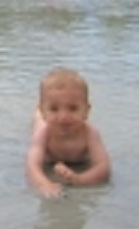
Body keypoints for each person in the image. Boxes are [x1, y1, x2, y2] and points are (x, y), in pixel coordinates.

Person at [26, 67, 111, 198]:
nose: (64, 117)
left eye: (73, 108)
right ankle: (38, 115)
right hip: (43, 124)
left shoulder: (90, 134)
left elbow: (103, 167)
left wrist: (80, 179)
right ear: (43, 111)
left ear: (86, 111)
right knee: (39, 123)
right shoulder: (43, 135)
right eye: (54, 109)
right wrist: (44, 184)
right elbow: (32, 166)